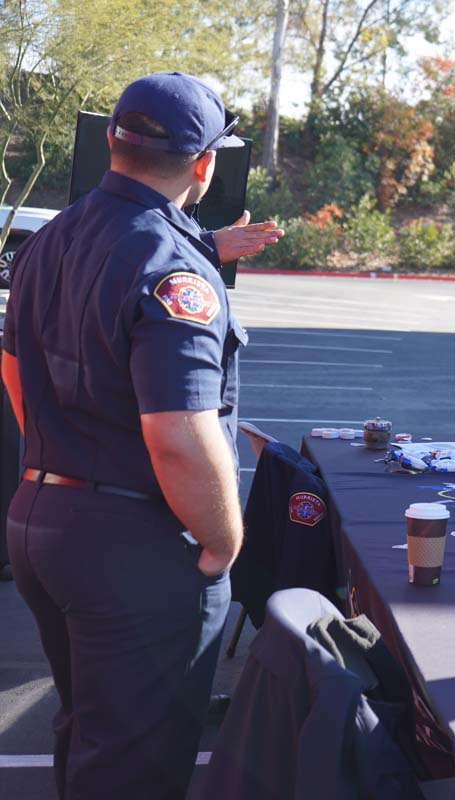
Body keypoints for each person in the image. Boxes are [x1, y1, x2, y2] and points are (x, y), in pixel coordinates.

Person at [2, 71, 247, 798]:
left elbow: (14, 374)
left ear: (112, 140)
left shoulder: (51, 239)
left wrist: (61, 456)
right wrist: (223, 539)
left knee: (88, 733)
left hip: (41, 516)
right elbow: (177, 432)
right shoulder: (173, 264)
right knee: (137, 758)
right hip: (132, 540)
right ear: (204, 164)